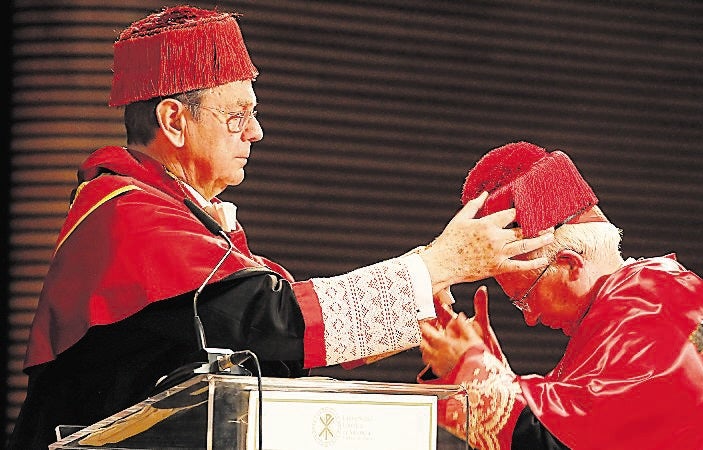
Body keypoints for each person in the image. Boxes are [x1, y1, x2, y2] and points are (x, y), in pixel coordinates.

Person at [7, 7, 554, 449]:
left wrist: (428, 291)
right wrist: (439, 263)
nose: (258, 132)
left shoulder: (175, 215)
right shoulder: (124, 215)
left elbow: (262, 342)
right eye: (237, 115)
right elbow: (267, 321)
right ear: (175, 120)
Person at [418, 141, 703, 450]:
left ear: (569, 265)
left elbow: (565, 444)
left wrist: (477, 373)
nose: (529, 318)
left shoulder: (655, 311)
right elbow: (578, 422)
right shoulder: (629, 304)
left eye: (525, 298)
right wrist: (497, 375)